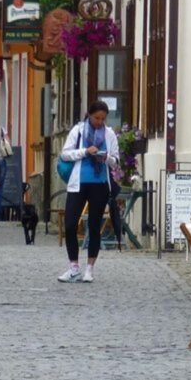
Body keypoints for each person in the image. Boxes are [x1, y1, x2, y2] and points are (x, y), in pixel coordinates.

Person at [57, 101, 119, 283]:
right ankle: (73, 266)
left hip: (99, 184)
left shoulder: (109, 135)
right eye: (96, 118)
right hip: (78, 183)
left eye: (103, 119)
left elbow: (116, 161)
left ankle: (90, 268)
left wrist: (105, 157)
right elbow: (65, 154)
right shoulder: (78, 131)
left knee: (94, 225)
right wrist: (85, 151)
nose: (99, 122)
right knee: (70, 224)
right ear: (89, 115)